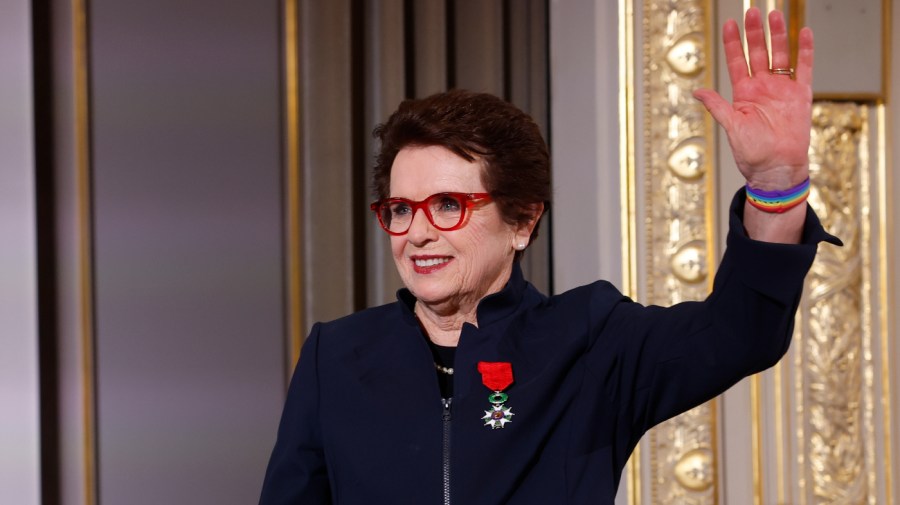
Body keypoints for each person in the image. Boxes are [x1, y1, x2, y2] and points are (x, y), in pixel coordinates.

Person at [259, 8, 840, 504]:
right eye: (401, 209)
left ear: (521, 220)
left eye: (447, 205)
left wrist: (775, 183)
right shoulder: (335, 356)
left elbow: (743, 332)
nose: (417, 233)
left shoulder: (591, 342)